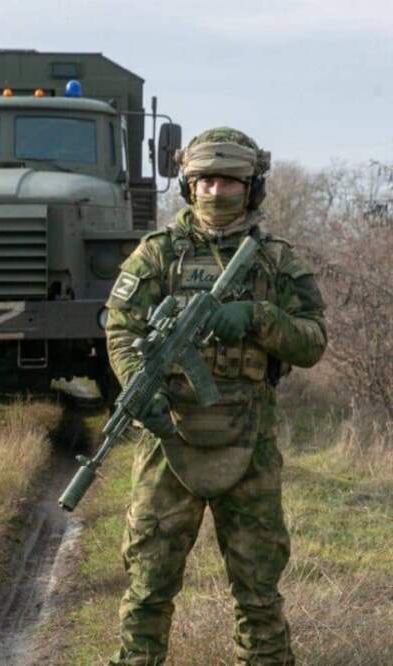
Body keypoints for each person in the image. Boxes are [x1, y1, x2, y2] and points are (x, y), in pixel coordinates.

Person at [104, 128, 327, 665]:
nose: (215, 191)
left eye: (229, 181)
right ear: (188, 185)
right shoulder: (157, 254)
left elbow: (312, 342)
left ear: (251, 188)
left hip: (250, 442)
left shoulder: (277, 261)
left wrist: (257, 317)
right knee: (148, 586)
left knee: (258, 591)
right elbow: (120, 328)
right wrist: (137, 383)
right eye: (205, 180)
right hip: (168, 442)